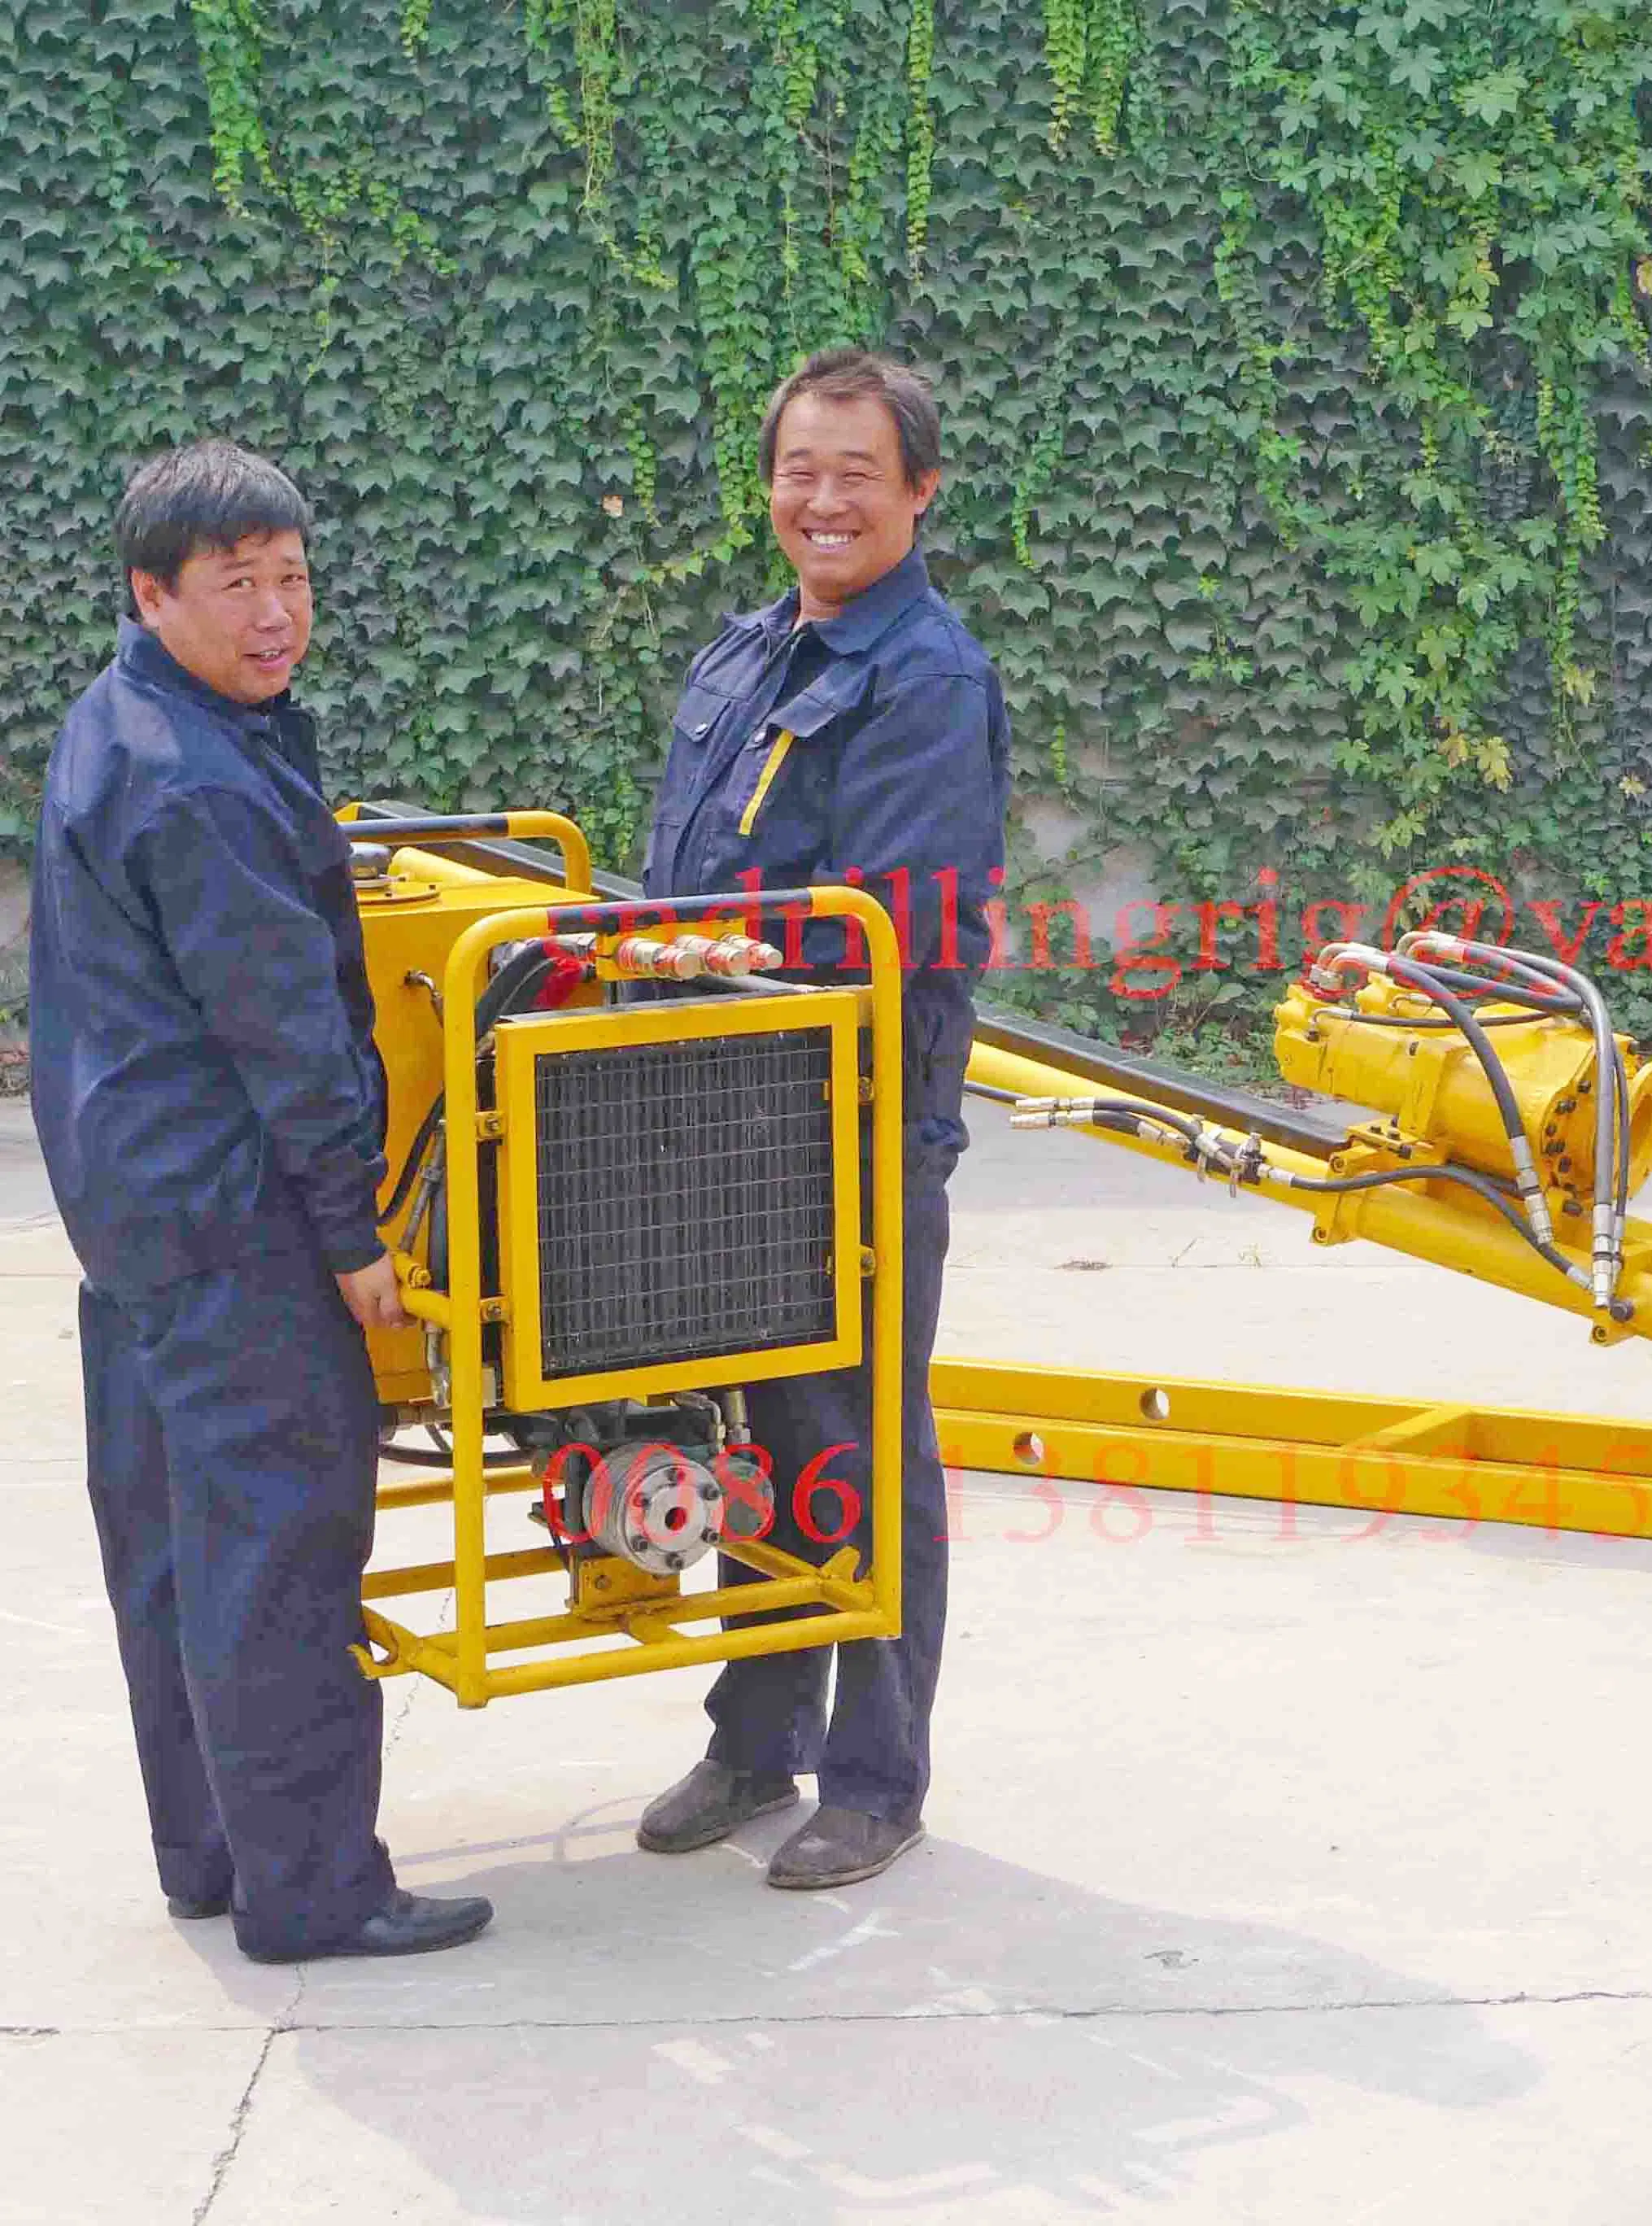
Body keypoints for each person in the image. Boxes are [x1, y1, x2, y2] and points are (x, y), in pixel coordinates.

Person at [29, 440, 492, 1962]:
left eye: (291, 578)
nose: (276, 614)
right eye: (236, 587)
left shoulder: (128, 720)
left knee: (175, 1543)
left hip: (138, 1214)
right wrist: (356, 1236)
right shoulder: (197, 778)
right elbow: (284, 1031)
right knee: (282, 1552)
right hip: (234, 1221)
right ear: (152, 593)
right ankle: (316, 1891)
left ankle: (214, 1854)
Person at [634, 349, 1009, 1890]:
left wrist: (715, 956)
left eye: (859, 472)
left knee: (861, 1438)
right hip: (717, 1120)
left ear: (919, 491)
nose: (824, 498)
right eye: (801, 467)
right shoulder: (746, 652)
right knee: (758, 1434)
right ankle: (755, 1732)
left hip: (848, 1130)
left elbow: (895, 921)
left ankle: (876, 1772)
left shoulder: (927, 677)